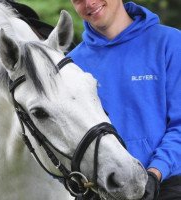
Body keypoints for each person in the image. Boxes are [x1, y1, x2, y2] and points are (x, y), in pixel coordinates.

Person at [68, 0, 181, 199]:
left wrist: (155, 173)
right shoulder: (72, 65)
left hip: (166, 182)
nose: (89, 3)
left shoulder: (170, 42)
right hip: (102, 188)